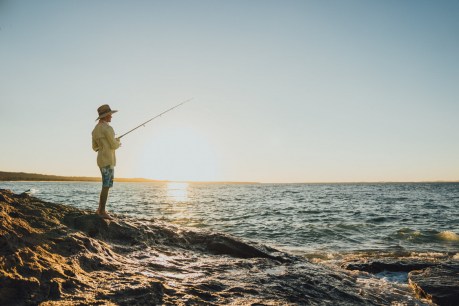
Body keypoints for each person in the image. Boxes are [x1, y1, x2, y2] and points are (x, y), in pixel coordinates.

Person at [92, 104, 121, 220]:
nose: (111, 117)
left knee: (105, 184)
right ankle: (102, 211)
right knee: (107, 185)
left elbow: (94, 147)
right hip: (108, 160)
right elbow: (114, 144)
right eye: (110, 115)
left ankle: (100, 209)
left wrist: (103, 147)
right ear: (105, 116)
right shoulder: (108, 128)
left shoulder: (94, 130)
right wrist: (117, 142)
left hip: (100, 159)